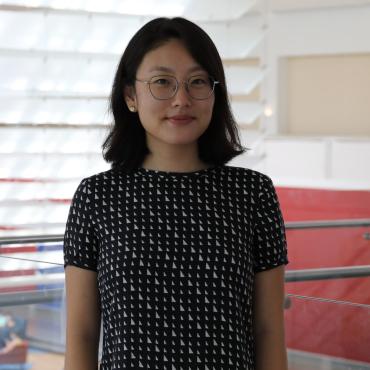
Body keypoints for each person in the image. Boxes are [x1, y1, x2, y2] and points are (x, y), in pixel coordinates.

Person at [63, 17, 289, 370]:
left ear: (215, 93)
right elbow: (82, 334)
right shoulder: (97, 196)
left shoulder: (252, 193)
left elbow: (268, 331)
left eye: (197, 82)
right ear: (130, 96)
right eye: (162, 82)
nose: (181, 99)